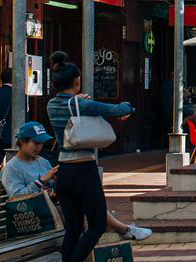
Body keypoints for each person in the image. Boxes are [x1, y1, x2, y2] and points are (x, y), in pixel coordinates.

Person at [47, 63, 142, 261]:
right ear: (76, 81)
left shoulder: (51, 105)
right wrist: (129, 107)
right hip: (84, 168)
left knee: (73, 228)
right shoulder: (81, 104)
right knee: (97, 224)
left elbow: (70, 105)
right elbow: (116, 109)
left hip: (63, 170)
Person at [0, 122, 150, 241]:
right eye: (35, 143)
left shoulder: (42, 161)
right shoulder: (12, 168)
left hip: (52, 205)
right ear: (22, 142)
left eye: (41, 143)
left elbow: (52, 187)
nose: (39, 147)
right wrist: (41, 181)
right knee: (85, 209)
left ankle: (122, 230)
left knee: (85, 201)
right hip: (31, 215)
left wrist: (56, 185)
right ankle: (124, 229)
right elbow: (16, 198)